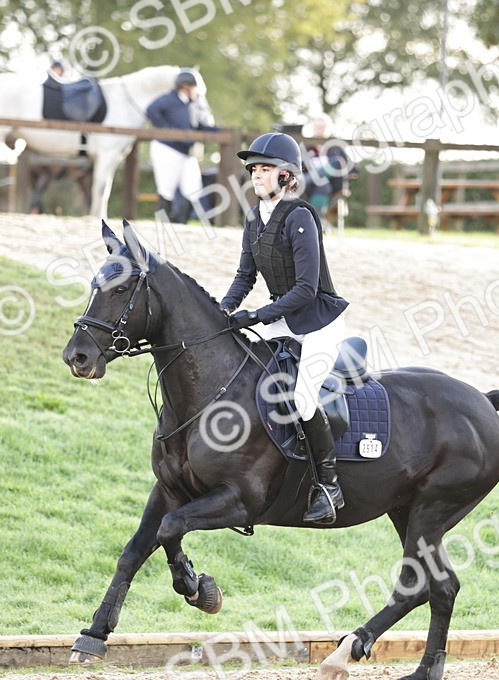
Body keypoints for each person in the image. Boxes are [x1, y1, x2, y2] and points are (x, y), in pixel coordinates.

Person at [220, 132, 350, 525]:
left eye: (265, 169)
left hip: (318, 321)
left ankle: (329, 486)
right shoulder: (252, 218)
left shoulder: (300, 217)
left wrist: (258, 316)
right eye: (254, 169)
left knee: (303, 398)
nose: (256, 176)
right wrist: (223, 311)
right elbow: (245, 276)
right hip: (283, 318)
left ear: (287, 177)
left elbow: (306, 290)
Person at [145, 69, 218, 224]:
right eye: (193, 87)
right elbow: (151, 110)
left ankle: (179, 222)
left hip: (185, 151)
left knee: (193, 188)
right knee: (166, 188)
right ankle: (163, 222)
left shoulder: (192, 104)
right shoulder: (169, 99)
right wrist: (166, 130)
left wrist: (219, 130)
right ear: (185, 86)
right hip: (167, 148)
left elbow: (198, 126)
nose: (196, 91)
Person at [301, 114, 359, 226]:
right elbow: (297, 167)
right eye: (317, 127)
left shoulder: (336, 148)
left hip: (334, 186)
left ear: (328, 129)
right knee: (323, 185)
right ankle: (316, 223)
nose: (320, 130)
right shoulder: (305, 148)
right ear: (313, 129)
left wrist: (347, 172)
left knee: (337, 162)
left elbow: (354, 169)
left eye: (322, 128)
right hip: (311, 188)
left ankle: (306, 180)